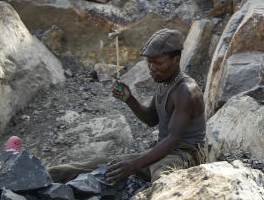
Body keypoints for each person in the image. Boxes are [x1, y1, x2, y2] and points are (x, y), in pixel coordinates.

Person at [49, 29, 207, 183]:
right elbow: (151, 119)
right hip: (162, 152)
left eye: (158, 63)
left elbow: (173, 139)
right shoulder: (165, 83)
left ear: (176, 60)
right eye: (149, 62)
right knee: (105, 164)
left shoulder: (185, 90)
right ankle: (45, 176)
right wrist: (129, 99)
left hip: (185, 155)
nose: (152, 68)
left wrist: (134, 165)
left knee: (163, 178)